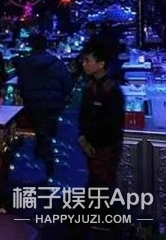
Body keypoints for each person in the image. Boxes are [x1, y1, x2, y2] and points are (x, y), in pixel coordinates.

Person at [15, 34, 74, 182]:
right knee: (46, 130)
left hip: (32, 104)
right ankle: (47, 158)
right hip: (54, 104)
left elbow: (20, 86)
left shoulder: (24, 63)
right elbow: (67, 83)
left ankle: (42, 155)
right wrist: (61, 97)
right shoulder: (56, 63)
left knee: (41, 130)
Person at [78, 40, 125, 192]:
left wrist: (90, 138)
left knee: (102, 185)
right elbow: (83, 115)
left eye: (88, 61)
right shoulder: (89, 87)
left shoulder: (111, 90)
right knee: (93, 182)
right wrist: (82, 137)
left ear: (101, 64)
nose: (84, 64)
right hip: (89, 145)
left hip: (106, 146)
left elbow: (113, 122)